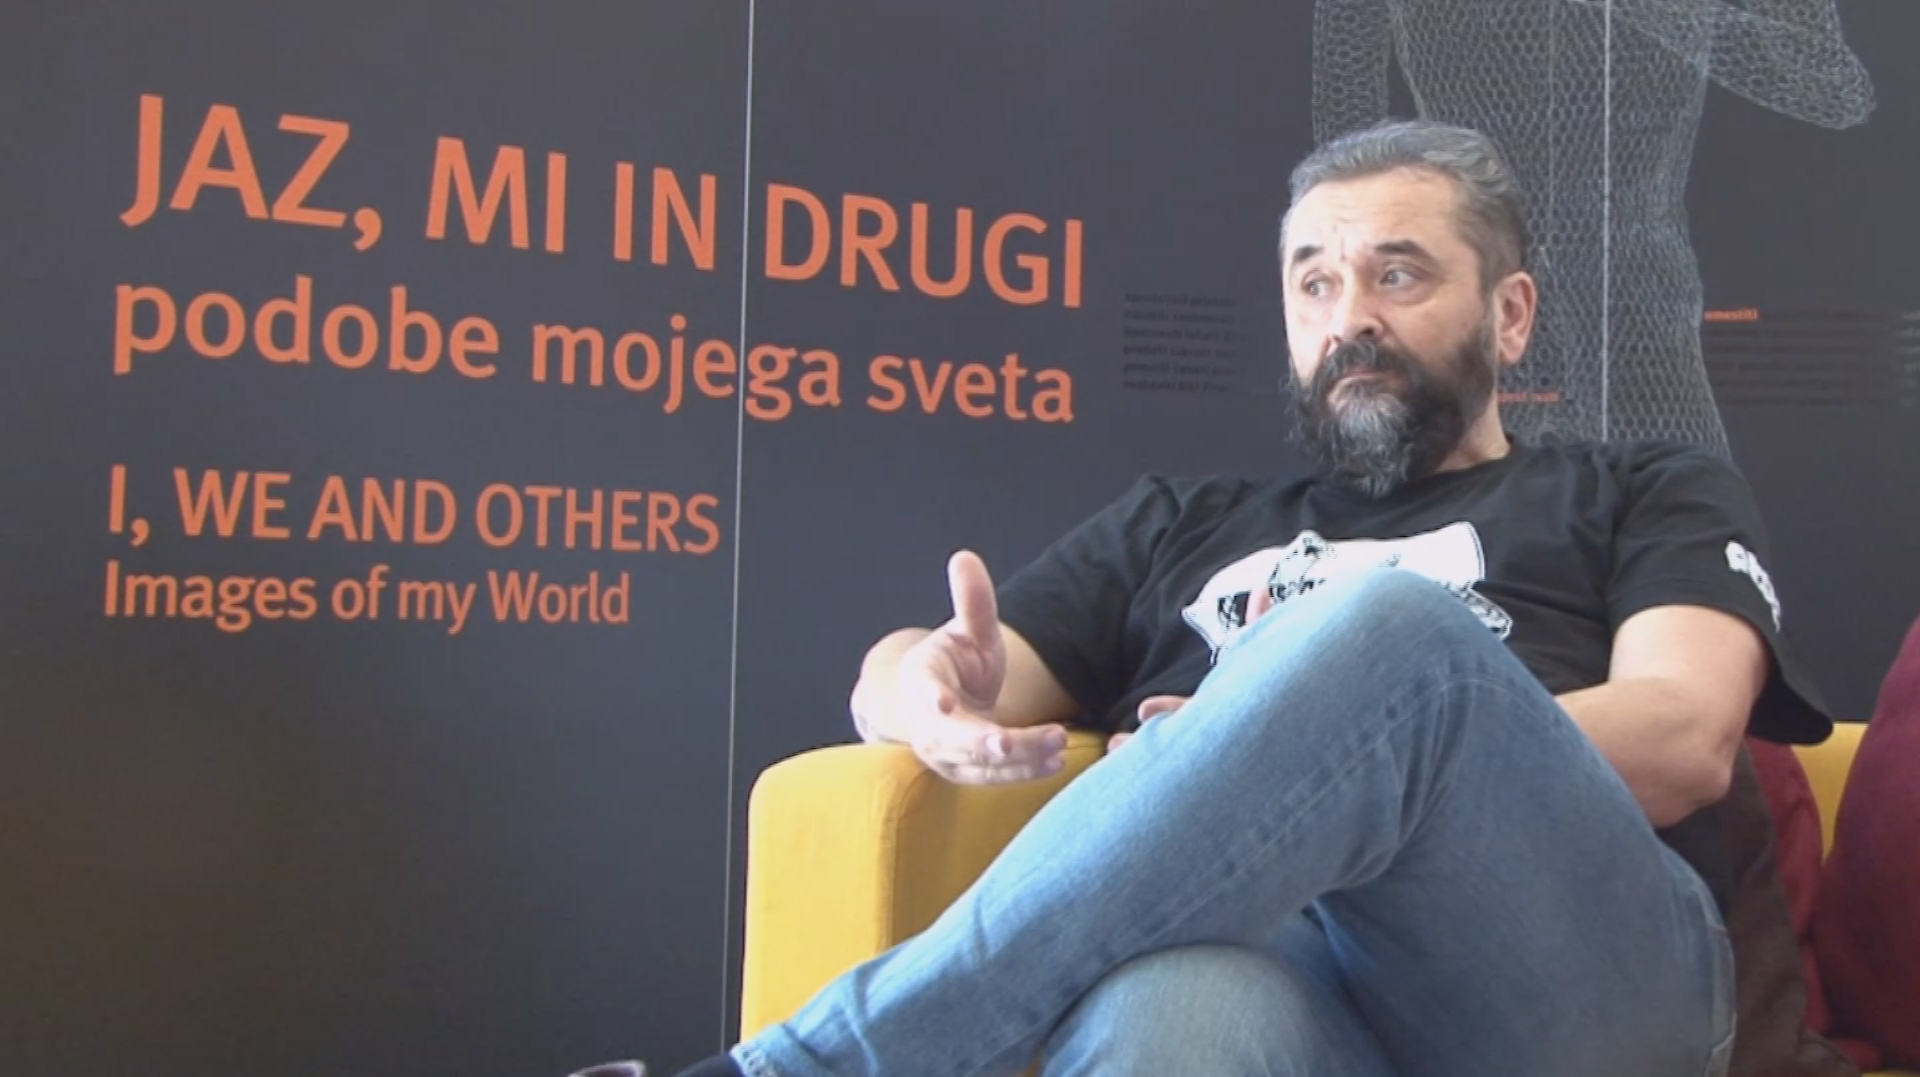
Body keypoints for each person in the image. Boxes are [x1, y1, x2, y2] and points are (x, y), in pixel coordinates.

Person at [652, 119, 1835, 1077]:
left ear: (1510, 314)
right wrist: (917, 686)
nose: (1349, 317)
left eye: (1398, 273)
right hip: (1302, 986)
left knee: (1391, 636)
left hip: (1586, 992)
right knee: (1168, 1008)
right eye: (1313, 283)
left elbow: (1683, 736)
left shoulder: (1643, 488)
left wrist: (1317, 728)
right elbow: (935, 680)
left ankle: (815, 1066)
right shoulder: (1179, 523)